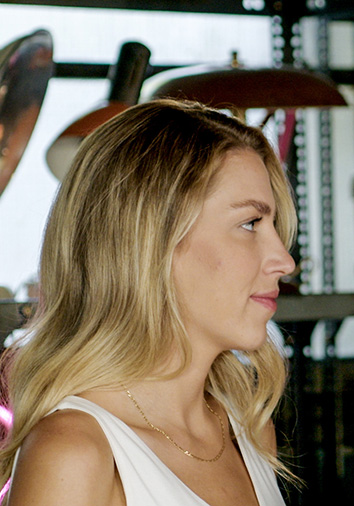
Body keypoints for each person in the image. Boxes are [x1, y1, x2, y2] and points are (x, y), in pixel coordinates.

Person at [0, 99, 298, 505]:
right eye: (250, 223)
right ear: (152, 241)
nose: (284, 261)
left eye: (273, 226)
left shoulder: (248, 431)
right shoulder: (74, 453)